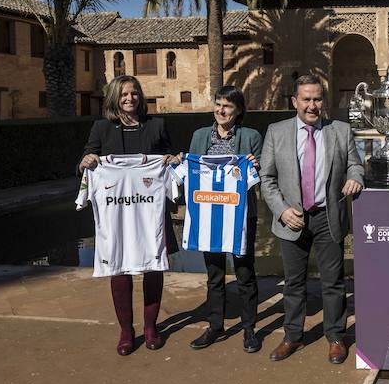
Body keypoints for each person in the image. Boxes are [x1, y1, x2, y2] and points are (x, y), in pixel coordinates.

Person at [259, 74, 364, 364]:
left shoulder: (340, 131)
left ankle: (335, 337)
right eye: (306, 99)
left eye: (317, 98)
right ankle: (293, 336)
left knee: (333, 282)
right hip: (290, 218)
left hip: (327, 216)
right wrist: (281, 210)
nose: (312, 105)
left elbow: (356, 165)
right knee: (294, 283)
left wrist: (355, 178)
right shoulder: (276, 132)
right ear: (295, 101)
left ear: (323, 101)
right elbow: (266, 177)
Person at [79, 75, 180, 356]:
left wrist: (173, 161)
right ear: (114, 97)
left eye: (134, 93)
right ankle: (126, 329)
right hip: (118, 212)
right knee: (119, 269)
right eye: (123, 94)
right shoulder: (101, 128)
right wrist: (85, 162)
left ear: (141, 96)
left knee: (154, 266)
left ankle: (150, 327)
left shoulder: (157, 125)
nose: (129, 98)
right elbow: (86, 162)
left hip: (151, 212)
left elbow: (169, 159)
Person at [185, 86, 263, 353]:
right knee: (214, 273)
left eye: (227, 106)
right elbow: (189, 169)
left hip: (240, 214)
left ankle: (249, 328)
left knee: (244, 271)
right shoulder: (198, 136)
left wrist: (257, 163)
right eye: (218, 104)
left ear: (238, 110)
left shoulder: (251, 136)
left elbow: (262, 173)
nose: (221, 110)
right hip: (208, 214)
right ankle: (215, 325)